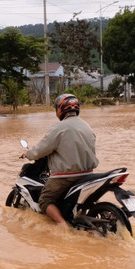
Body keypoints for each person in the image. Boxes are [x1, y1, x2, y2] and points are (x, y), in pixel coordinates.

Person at [21, 94, 98, 226]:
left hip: (65, 177)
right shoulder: (86, 126)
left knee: (45, 200)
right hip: (88, 174)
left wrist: (28, 153)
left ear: (60, 109)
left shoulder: (59, 127)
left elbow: (41, 149)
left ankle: (63, 227)